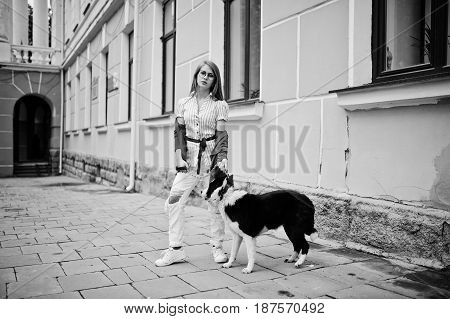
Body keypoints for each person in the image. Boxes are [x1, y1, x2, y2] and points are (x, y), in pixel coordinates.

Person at [155, 60, 229, 267]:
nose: (205, 77)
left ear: (215, 80)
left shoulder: (219, 105)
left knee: (215, 205)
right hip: (188, 163)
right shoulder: (183, 103)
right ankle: (176, 249)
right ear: (196, 75)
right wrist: (179, 156)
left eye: (210, 74)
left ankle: (218, 247)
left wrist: (222, 159)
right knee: (173, 202)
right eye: (202, 73)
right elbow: (178, 133)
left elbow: (221, 135)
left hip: (211, 162)